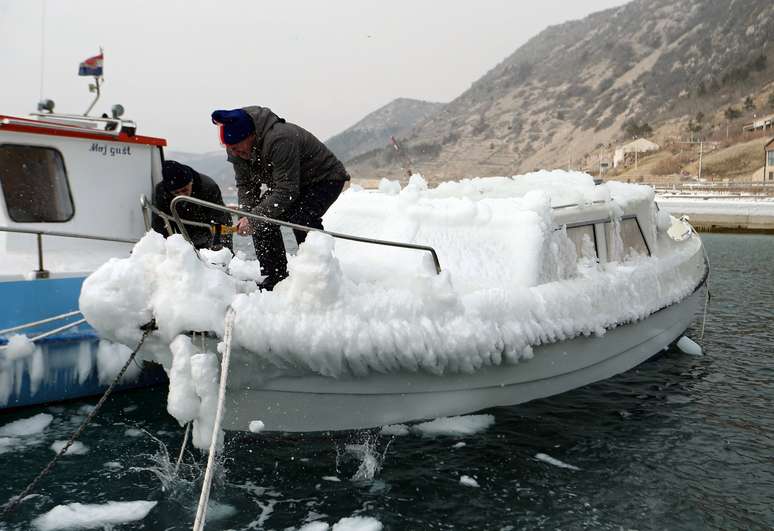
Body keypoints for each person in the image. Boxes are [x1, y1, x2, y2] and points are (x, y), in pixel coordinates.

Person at [211, 106, 350, 290]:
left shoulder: (280, 139)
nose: (234, 153)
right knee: (261, 219)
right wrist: (247, 216)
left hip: (325, 178)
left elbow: (287, 191)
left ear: (250, 136)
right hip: (293, 183)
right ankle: (275, 276)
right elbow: (246, 186)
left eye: (237, 148)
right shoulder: (236, 150)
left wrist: (254, 218)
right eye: (229, 149)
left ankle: (317, 276)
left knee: (301, 218)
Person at [151, 160, 233, 251]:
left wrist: (219, 248)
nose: (182, 195)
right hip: (184, 233)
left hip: (210, 230)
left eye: (185, 190)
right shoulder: (161, 192)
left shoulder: (208, 187)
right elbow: (159, 224)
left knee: (219, 254)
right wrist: (163, 249)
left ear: (191, 182)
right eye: (176, 192)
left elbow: (220, 218)